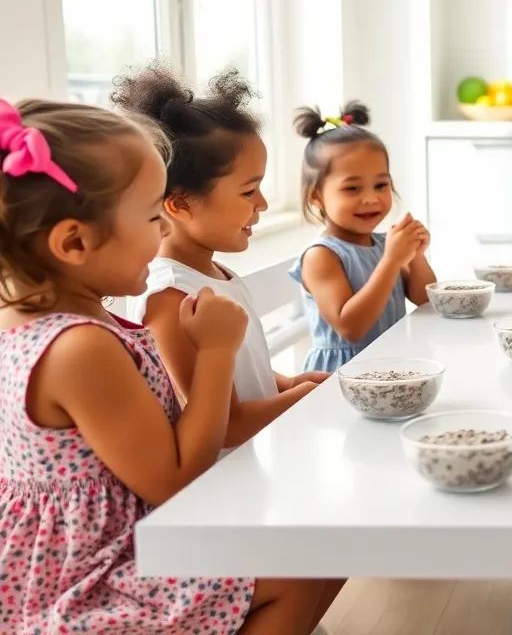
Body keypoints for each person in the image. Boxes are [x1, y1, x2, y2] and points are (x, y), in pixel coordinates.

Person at [0, 97, 340, 633]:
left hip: (116, 548)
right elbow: (179, 478)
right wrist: (215, 352)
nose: (163, 236)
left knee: (320, 546)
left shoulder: (46, 325)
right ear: (74, 241)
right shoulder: (78, 349)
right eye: (152, 217)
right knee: (301, 566)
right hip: (94, 579)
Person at [118, 66, 327, 453]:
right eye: (249, 191)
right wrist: (304, 399)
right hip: (223, 484)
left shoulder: (214, 273)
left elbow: (243, 373)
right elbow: (224, 425)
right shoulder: (170, 296)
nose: (263, 204)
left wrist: (290, 384)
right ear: (180, 204)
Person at [290, 102, 435, 372]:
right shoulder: (321, 255)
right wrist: (392, 261)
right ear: (317, 197)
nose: (370, 199)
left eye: (381, 185)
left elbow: (425, 299)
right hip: (343, 376)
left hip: (390, 366)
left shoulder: (381, 245)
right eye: (352, 188)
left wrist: (415, 257)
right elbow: (350, 327)